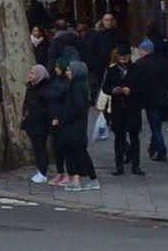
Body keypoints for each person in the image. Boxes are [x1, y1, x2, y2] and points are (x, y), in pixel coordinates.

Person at [44, 56, 96, 189]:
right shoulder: (78, 85)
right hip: (75, 125)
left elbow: (76, 108)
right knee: (78, 151)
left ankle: (78, 178)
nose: (67, 72)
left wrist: (62, 119)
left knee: (75, 151)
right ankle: (83, 178)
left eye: (69, 70)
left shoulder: (76, 87)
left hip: (73, 126)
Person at [132, 39, 168, 164]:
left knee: (155, 126)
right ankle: (154, 147)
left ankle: (161, 150)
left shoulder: (140, 64)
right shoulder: (165, 62)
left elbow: (137, 83)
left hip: (150, 100)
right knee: (156, 125)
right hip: (164, 98)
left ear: (143, 50)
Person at [101, 48, 142, 178]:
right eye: (121, 57)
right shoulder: (112, 70)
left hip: (133, 107)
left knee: (134, 137)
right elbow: (105, 87)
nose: (123, 59)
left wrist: (131, 90)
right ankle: (119, 166)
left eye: (126, 57)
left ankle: (136, 165)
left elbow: (143, 87)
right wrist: (113, 90)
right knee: (119, 137)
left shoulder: (136, 69)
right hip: (118, 108)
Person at [19, 65, 54, 185]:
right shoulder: (31, 87)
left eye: (33, 73)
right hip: (31, 122)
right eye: (30, 72)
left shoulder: (44, 90)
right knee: (36, 147)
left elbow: (45, 108)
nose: (30, 75)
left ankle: (42, 171)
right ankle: (40, 169)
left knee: (40, 147)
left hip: (40, 124)